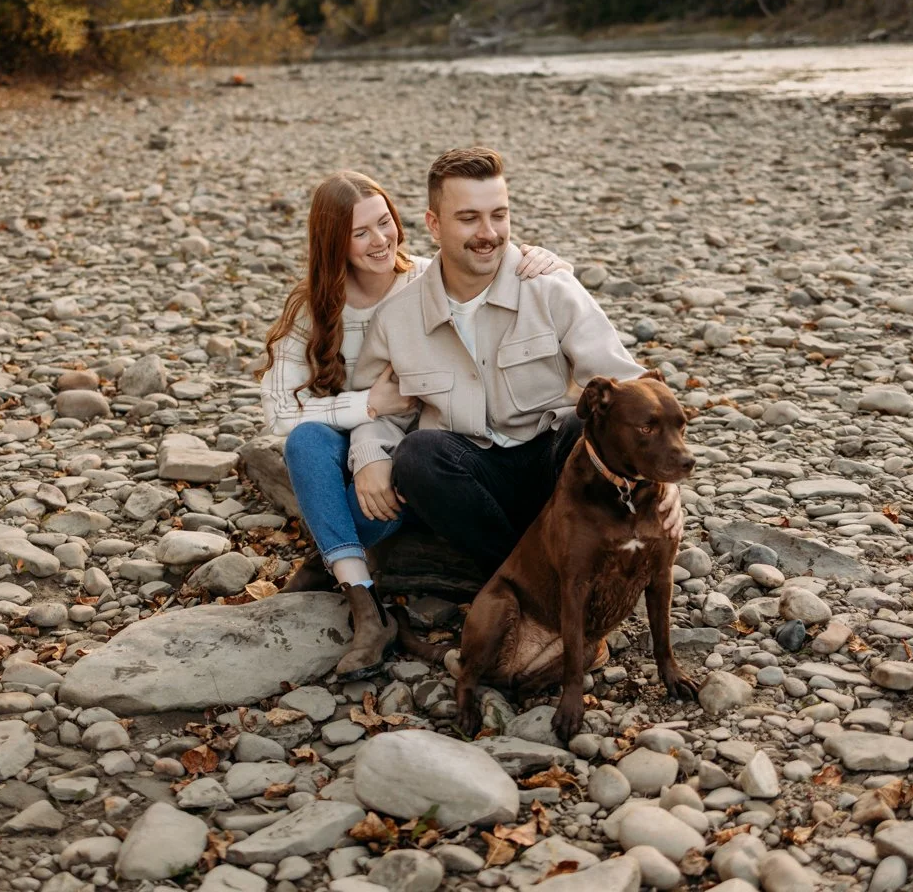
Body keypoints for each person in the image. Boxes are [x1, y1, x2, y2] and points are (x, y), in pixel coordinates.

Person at [256, 169, 569, 679]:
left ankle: (330, 557)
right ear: (333, 242)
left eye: (385, 223)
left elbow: (495, 264)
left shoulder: (431, 278)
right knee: (307, 439)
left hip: (425, 461)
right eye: (360, 233)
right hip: (360, 456)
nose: (380, 240)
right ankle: (367, 609)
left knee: (407, 463)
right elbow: (275, 411)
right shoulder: (313, 307)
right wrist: (368, 409)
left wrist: (550, 260)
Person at [346, 147, 682, 582]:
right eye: (469, 219)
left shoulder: (550, 287)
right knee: (417, 455)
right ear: (434, 225)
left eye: (499, 215)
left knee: (588, 428)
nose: (488, 233)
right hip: (471, 485)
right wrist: (369, 454)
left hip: (556, 470)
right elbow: (374, 406)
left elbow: (629, 388)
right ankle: (528, 576)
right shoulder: (397, 317)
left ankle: (555, 570)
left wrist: (663, 480)